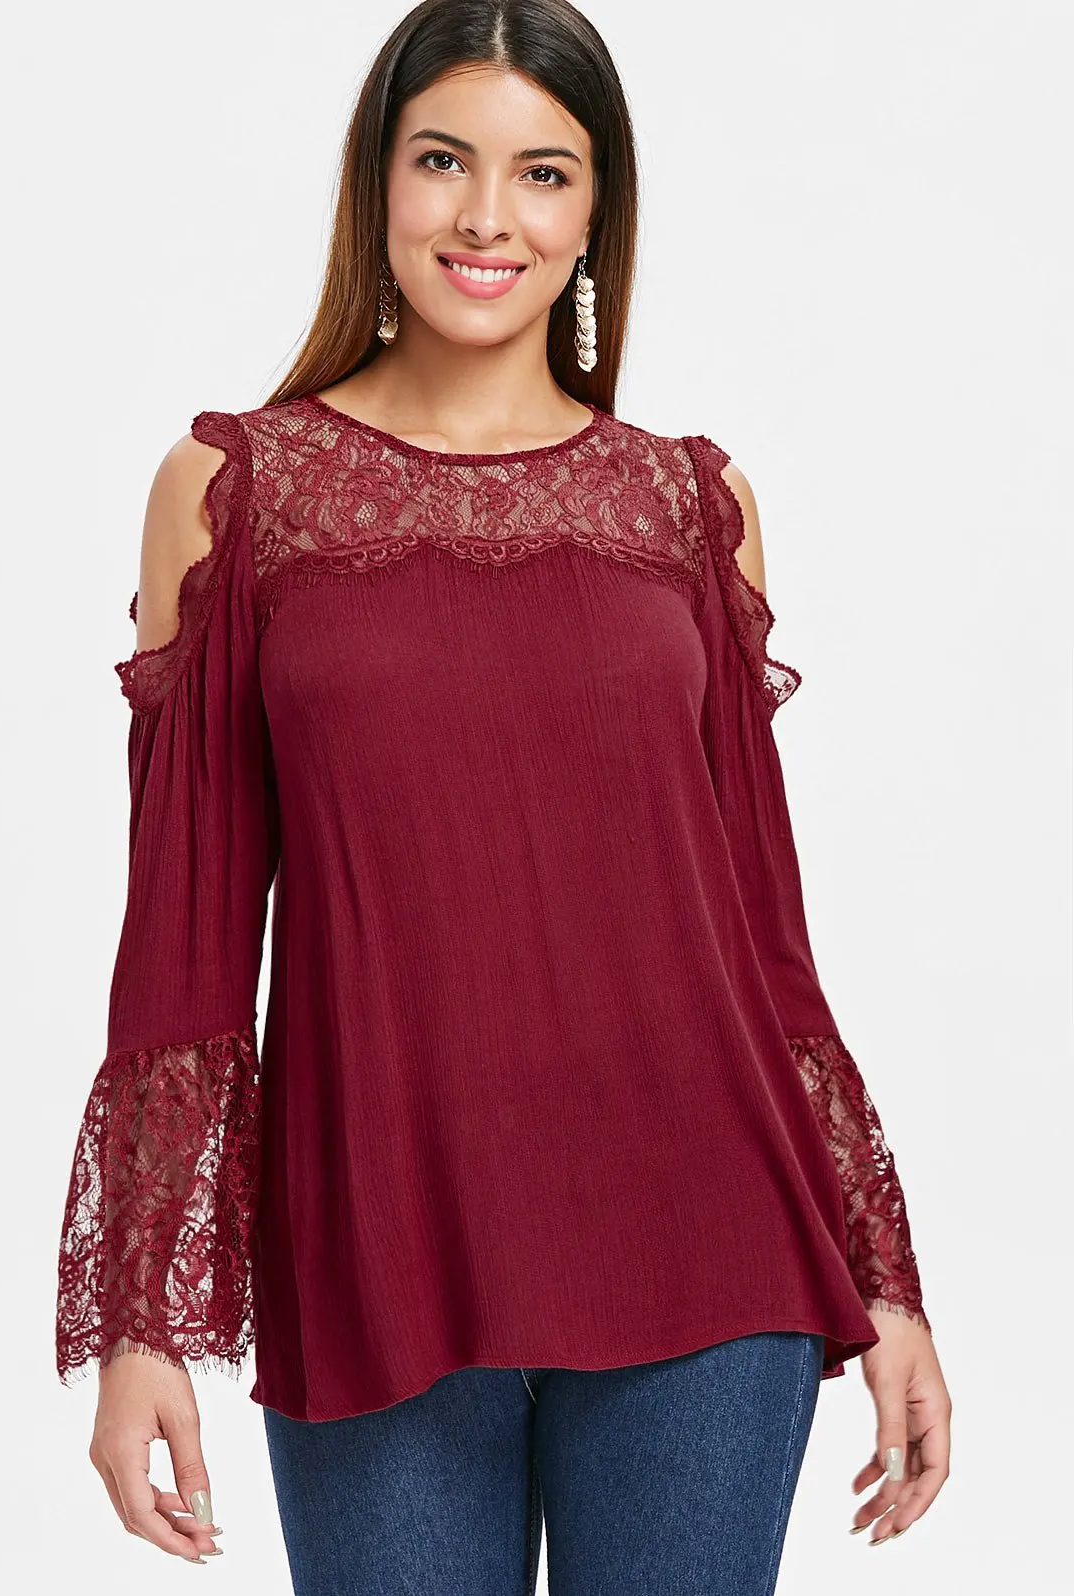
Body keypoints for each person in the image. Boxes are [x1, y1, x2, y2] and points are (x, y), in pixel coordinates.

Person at [54, 1, 952, 1588]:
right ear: (377, 184)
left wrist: (884, 1278)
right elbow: (185, 938)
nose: (487, 216)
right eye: (442, 161)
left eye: (543, 173)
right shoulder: (238, 494)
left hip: (708, 1235)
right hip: (379, 1243)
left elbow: (763, 935)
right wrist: (143, 1323)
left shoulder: (691, 504)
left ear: (595, 211)